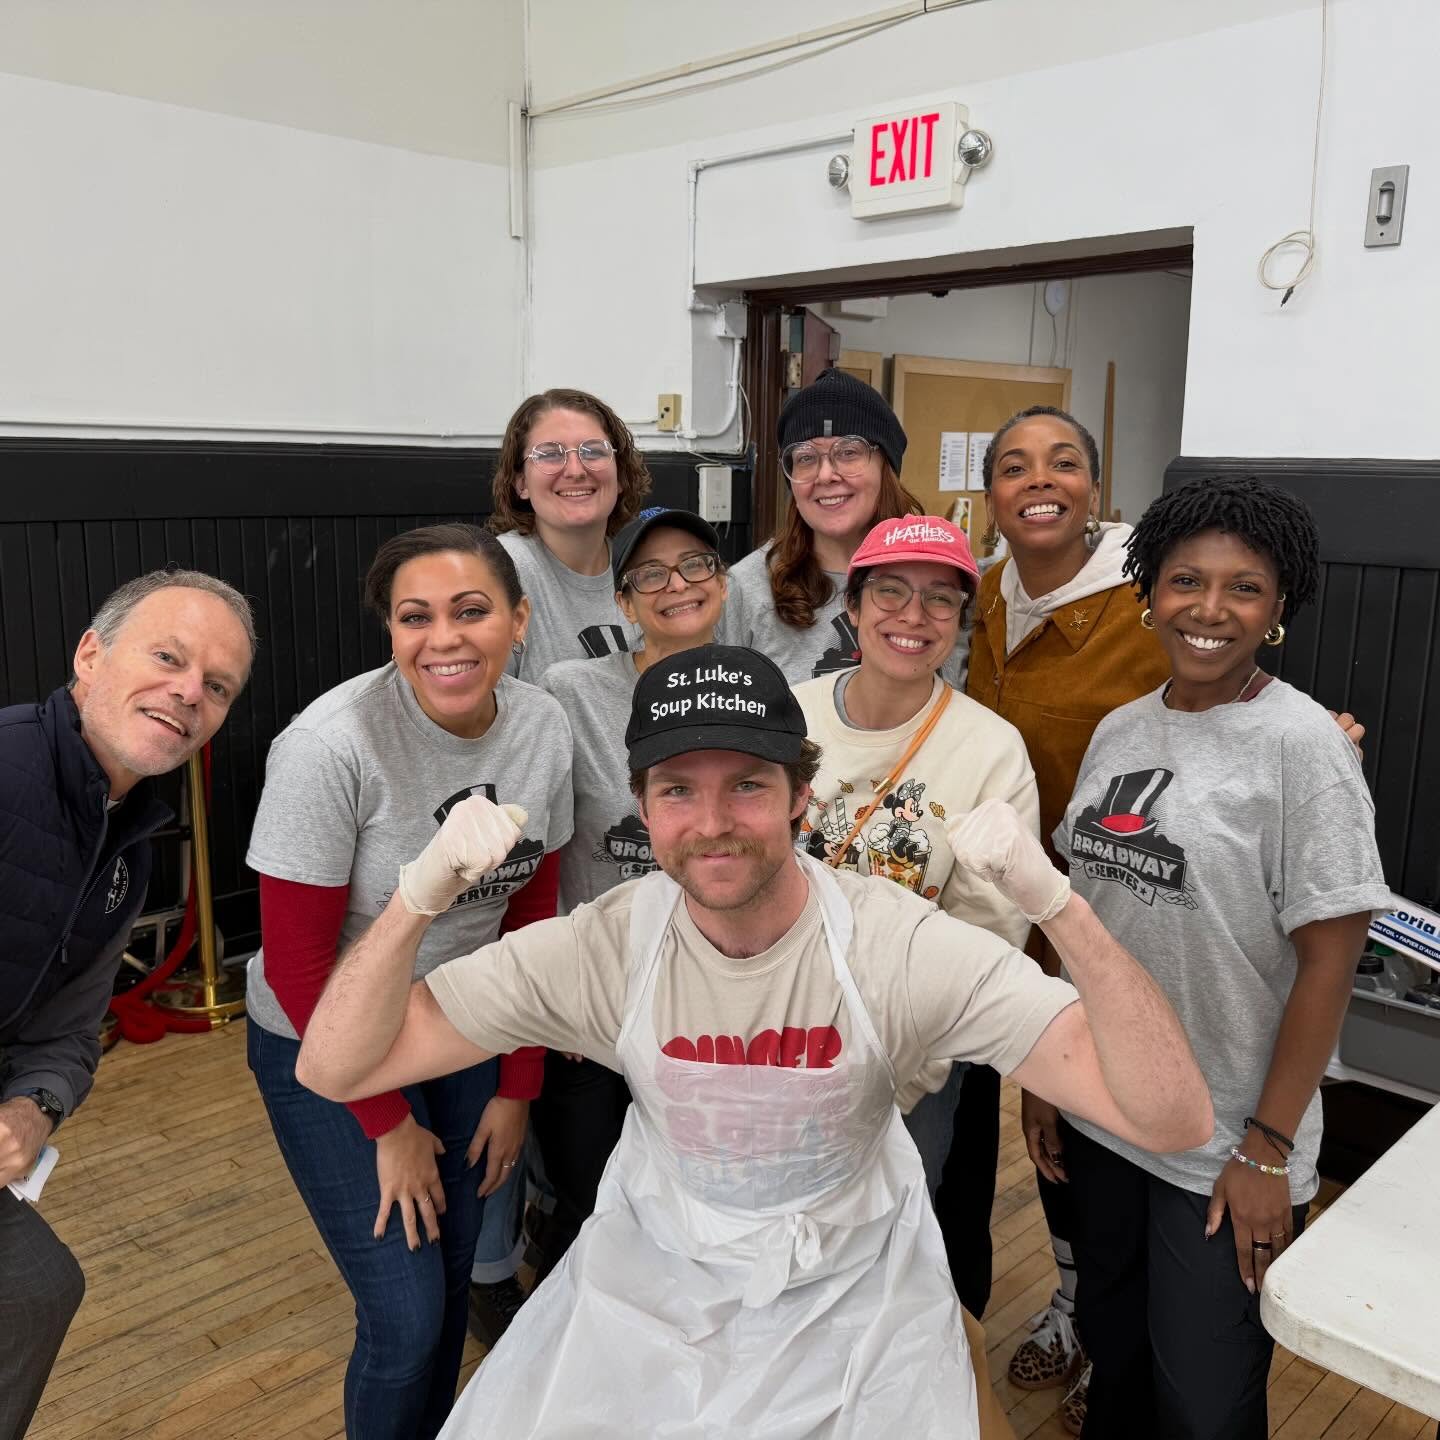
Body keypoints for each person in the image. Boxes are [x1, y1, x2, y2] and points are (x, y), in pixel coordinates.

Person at [295, 642, 1214, 1439]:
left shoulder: (896, 947)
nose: (713, 823)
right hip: (653, 1281)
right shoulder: (606, 947)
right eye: (677, 792)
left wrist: (1056, 902)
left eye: (747, 786)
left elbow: (1169, 1117)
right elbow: (336, 1064)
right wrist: (420, 895)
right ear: (643, 809)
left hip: (855, 1293)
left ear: (800, 797)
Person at [1051, 477, 1390, 1440]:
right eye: (1186, 581)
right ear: (1148, 593)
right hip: (1107, 1111)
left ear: (1278, 609)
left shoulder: (1303, 750)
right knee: (1112, 1361)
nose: (1209, 609)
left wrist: (1268, 1148)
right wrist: (1053, 1074)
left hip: (1224, 1145)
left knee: (1205, 1402)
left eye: (1244, 588)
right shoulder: (1122, 730)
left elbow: (1330, 962)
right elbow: (1088, 920)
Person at [244, 524, 572, 1440]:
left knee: (457, 1270)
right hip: (322, 1043)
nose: (445, 638)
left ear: (518, 620)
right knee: (404, 1318)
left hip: (461, 1024)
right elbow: (298, 965)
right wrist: (384, 1123)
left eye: (472, 611)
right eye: (414, 617)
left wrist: (518, 1084)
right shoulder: (329, 746)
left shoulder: (541, 724)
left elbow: (533, 905)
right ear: (388, 630)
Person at [0, 570, 255, 1439]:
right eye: (168, 657)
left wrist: (35, 1110)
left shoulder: (128, 849)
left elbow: (71, 1034)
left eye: (216, 686)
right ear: (89, 654)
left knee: (38, 1289)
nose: (189, 692)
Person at [964, 404, 1169, 1421]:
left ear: (1095, 483)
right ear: (991, 491)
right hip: (1016, 914)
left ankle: (1125, 1342)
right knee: (1046, 1125)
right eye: (1014, 465)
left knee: (1115, 1126)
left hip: (1122, 909)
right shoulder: (988, 597)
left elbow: (1228, 694)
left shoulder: (1145, 602)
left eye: (1064, 462)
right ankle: (1080, 1300)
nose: (1039, 480)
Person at [788, 513, 1038, 1289]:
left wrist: (908, 1070)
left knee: (891, 1241)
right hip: (776, 1031)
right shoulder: (787, 714)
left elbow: (989, 933)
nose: (912, 616)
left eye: (940, 600)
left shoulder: (992, 748)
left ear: (961, 621)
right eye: (890, 592)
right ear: (854, 607)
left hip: (911, 1053)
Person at [530, 507, 727, 1278]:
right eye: (650, 573)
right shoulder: (572, 691)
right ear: (623, 601)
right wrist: (560, 983)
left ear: (721, 581)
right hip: (598, 1000)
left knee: (696, 1198)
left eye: (696, 565)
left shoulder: (754, 687)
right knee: (595, 1201)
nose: (676, 585)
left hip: (711, 999)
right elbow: (541, 841)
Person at [723, 367, 966, 686]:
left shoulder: (944, 573)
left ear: (886, 467)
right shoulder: (745, 588)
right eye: (806, 458)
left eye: (849, 452)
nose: (825, 475)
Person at [489, 387, 653, 683]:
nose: (576, 470)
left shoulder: (646, 566)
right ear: (521, 483)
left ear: (620, 477)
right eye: (550, 454)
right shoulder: (500, 570)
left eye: (594, 451)